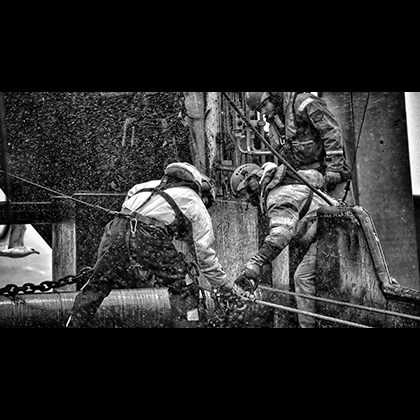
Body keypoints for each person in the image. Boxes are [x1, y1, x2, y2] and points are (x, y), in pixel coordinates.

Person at [66, 162, 235, 328]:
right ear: (201, 191)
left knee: (98, 283)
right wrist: (222, 284)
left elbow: (131, 207)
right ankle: (189, 324)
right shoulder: (194, 201)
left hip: (117, 228)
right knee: (184, 282)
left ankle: (74, 323)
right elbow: (203, 252)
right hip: (148, 236)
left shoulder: (145, 186)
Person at [230, 161, 340, 328]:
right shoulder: (286, 181)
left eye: (245, 193)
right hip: (332, 227)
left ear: (252, 182)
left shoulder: (277, 196)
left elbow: (280, 236)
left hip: (332, 232)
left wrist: (257, 262)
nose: (247, 199)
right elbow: (317, 177)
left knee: (302, 278)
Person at [245, 92, 353, 202]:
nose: (263, 112)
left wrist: (334, 168)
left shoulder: (303, 103)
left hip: (328, 176)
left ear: (274, 97)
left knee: (342, 214)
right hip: (304, 182)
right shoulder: (275, 122)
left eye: (264, 105)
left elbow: (331, 131)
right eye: (259, 110)